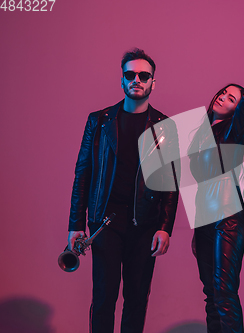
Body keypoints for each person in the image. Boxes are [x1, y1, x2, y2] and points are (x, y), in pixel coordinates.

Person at [67, 48, 179, 333]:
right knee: (104, 298)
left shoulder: (165, 127)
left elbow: (170, 182)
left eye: (144, 75)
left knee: (137, 299)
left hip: (145, 224)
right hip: (104, 223)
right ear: (122, 80)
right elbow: (83, 173)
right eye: (130, 75)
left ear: (153, 82)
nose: (136, 80)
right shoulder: (99, 120)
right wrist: (75, 225)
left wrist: (165, 227)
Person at [189, 44, 244, 333]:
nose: (223, 98)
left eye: (231, 98)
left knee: (224, 294)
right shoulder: (201, 135)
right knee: (211, 297)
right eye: (223, 93)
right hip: (204, 222)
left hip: (227, 221)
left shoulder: (233, 131)